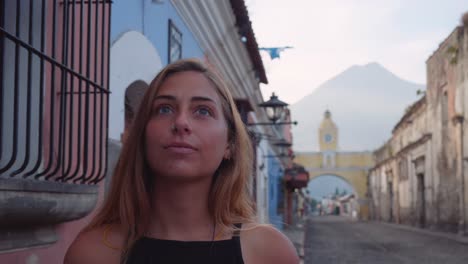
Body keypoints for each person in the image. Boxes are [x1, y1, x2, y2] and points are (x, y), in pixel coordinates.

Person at [64, 59, 299, 264]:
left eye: (203, 111)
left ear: (229, 144)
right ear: (142, 137)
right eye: (164, 109)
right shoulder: (93, 253)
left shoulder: (270, 253)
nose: (181, 122)